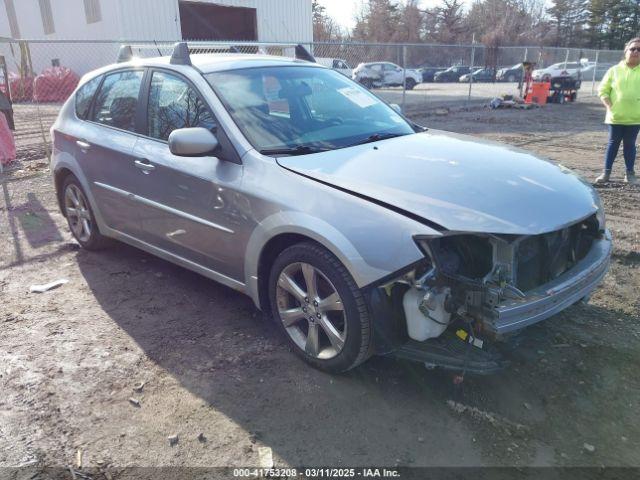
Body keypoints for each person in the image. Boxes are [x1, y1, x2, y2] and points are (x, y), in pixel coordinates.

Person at [596, 38, 640, 185]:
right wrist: (608, 103)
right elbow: (603, 89)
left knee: (630, 145)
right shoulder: (614, 70)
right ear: (625, 51)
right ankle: (606, 173)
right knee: (613, 144)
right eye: (633, 49)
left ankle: (630, 174)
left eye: (639, 50)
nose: (636, 52)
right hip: (616, 117)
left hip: (635, 118)